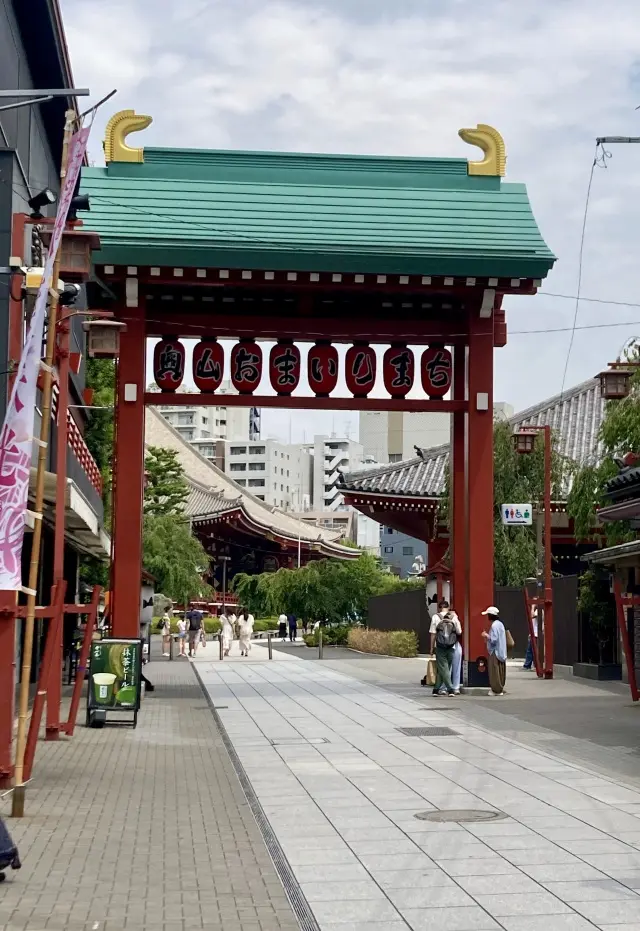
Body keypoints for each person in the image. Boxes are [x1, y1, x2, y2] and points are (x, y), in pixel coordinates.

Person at [429, 600, 462, 696]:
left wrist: (431, 648)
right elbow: (459, 631)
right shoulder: (454, 617)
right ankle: (450, 688)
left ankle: (448, 689)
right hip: (452, 646)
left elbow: (433, 634)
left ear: (439, 608)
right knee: (447, 667)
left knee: (443, 668)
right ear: (448, 607)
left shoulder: (435, 617)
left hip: (440, 646)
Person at [481, 605, 507, 695]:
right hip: (501, 651)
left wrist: (486, 635)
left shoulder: (494, 625)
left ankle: (496, 689)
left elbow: (494, 640)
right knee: (500, 671)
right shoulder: (500, 624)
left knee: (494, 671)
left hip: (495, 652)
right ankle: (500, 687)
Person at [523, 605, 542, 670]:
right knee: (530, 650)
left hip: (536, 634)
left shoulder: (538, 611)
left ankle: (530, 665)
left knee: (532, 651)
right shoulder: (536, 611)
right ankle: (529, 665)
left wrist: (533, 607)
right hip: (533, 634)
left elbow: (532, 616)